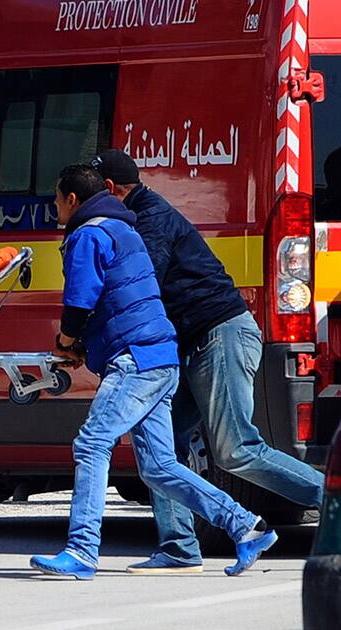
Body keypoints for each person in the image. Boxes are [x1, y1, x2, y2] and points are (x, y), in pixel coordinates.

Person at [28, 164, 278, 580]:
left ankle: (82, 550)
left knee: (92, 444)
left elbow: (81, 301)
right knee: (160, 466)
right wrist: (83, 346)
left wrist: (67, 344)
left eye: (56, 199)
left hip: (135, 359)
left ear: (73, 200)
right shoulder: (126, 230)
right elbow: (123, 299)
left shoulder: (88, 234)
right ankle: (246, 527)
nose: (54, 207)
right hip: (161, 357)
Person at [91, 149, 325, 574]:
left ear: (110, 190)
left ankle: (334, 502)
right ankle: (180, 547)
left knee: (236, 449)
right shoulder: (130, 219)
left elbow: (142, 288)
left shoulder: (148, 221)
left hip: (221, 336)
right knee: (162, 449)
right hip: (190, 345)